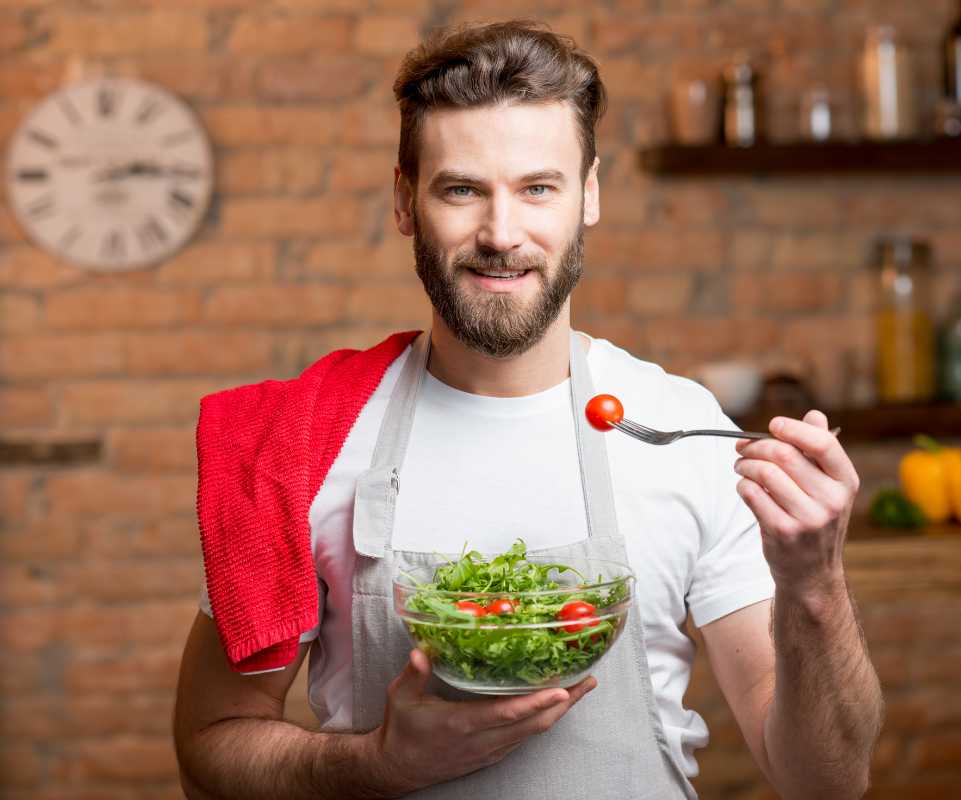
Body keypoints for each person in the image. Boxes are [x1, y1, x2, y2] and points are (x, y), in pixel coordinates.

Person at [173, 20, 883, 800]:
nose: (501, 234)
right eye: (461, 189)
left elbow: (826, 784)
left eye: (538, 188)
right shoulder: (307, 443)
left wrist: (815, 585)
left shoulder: (678, 428)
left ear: (591, 196)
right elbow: (212, 745)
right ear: (406, 201)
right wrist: (378, 763)